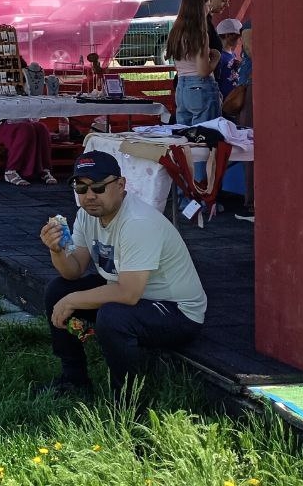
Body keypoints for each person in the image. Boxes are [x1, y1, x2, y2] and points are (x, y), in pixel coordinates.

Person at [39, 150, 206, 398]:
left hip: (177, 312)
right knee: (58, 289)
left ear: (120, 185)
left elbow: (128, 294)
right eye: (81, 188)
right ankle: (73, 379)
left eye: (98, 187)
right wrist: (57, 251)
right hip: (136, 295)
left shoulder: (138, 222)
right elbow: (73, 271)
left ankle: (127, 402)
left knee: (112, 316)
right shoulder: (86, 215)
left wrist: (72, 301)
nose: (90, 195)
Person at [166, 0, 220, 125]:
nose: (209, 10)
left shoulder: (175, 32)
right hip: (200, 86)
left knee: (185, 132)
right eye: (207, 6)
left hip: (182, 86)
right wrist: (215, 59)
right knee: (205, 132)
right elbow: (203, 71)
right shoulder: (200, 34)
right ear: (200, 7)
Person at [0, 122, 57, 187]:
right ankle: (10, 171)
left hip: (24, 122)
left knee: (41, 127)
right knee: (26, 128)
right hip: (1, 125)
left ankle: (43, 169)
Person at [194, 0, 232, 79]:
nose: (227, 5)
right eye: (223, 1)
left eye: (228, 1)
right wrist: (216, 58)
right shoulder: (202, 24)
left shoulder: (205, 22)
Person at [214, 17, 244, 100]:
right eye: (237, 36)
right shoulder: (219, 56)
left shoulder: (232, 54)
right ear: (228, 36)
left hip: (233, 98)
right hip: (223, 98)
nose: (239, 39)